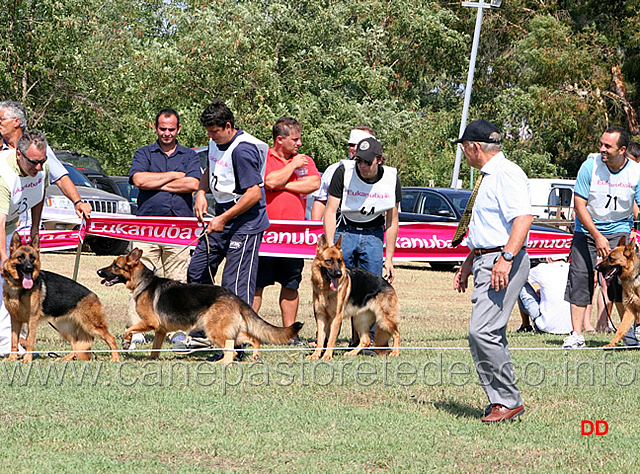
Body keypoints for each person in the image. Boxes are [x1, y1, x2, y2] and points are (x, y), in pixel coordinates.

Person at [453, 119, 532, 423]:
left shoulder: (506, 173)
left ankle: (508, 401)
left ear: (474, 146)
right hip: (488, 258)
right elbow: (488, 226)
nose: (463, 153)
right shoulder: (488, 175)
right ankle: (502, 400)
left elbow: (522, 219)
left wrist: (506, 258)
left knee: (481, 331)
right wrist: (469, 262)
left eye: (464, 147)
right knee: (487, 332)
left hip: (503, 261)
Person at [127, 108, 201, 349]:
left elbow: (192, 184)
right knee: (137, 281)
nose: (167, 133)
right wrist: (172, 176)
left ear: (178, 129)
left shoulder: (189, 155)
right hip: (146, 226)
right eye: (162, 128)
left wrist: (156, 183)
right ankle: (136, 330)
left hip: (179, 227)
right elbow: (139, 181)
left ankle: (177, 332)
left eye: (171, 129)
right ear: (155, 128)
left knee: (177, 281)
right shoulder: (144, 153)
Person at [562, 126, 640, 349]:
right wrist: (596, 235)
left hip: (619, 232)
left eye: (608, 146)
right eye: (601, 144)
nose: (602, 149)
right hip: (586, 231)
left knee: (620, 283)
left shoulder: (636, 172)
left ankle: (628, 335)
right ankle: (576, 334)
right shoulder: (590, 166)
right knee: (580, 278)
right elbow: (579, 204)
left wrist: (636, 230)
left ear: (622, 150)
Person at [187, 99, 269, 301]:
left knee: (234, 284)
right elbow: (210, 168)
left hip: (246, 221)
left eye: (214, 131)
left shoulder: (243, 150)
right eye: (208, 131)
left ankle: (236, 331)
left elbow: (254, 193)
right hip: (222, 214)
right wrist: (200, 192)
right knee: (196, 270)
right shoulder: (215, 141)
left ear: (228, 126)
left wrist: (222, 219)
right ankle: (203, 323)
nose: (210, 136)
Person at [251, 117, 320, 338]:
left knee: (291, 284)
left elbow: (314, 184)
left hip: (293, 238)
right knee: (257, 285)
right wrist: (291, 167)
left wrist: (285, 183)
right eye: (295, 139)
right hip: (265, 234)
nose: (299, 143)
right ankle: (249, 332)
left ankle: (290, 334)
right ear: (280, 139)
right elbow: (269, 181)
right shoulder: (263, 158)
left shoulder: (304, 160)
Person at [0, 131, 50, 356]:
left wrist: (34, 227)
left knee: (10, 288)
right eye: (33, 162)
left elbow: (40, 194)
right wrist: (3, 258)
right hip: (1, 223)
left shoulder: (41, 166)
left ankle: (7, 344)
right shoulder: (3, 174)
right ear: (18, 155)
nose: (39, 167)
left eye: (42, 161)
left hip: (9, 225)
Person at [0, 101, 92, 219]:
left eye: (1, 119)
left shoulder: (37, 148)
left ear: (16, 122)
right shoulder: (2, 150)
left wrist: (78, 202)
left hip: (26, 223)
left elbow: (60, 177)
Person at [310, 125, 374, 220]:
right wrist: (315, 229)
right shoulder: (334, 169)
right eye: (352, 144)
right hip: (337, 228)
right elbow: (320, 200)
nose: (355, 148)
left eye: (361, 144)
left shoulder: (381, 174)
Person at [517, 258, 572, 334]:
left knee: (520, 282)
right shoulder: (572, 268)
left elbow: (521, 277)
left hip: (545, 327)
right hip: (573, 327)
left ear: (548, 258)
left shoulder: (542, 268)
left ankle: (525, 325)